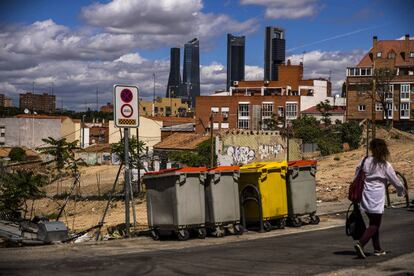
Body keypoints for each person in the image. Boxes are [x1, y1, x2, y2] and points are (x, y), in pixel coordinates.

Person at [353, 138, 406, 258]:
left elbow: (356, 175)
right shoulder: (385, 165)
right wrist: (401, 192)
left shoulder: (364, 160)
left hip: (365, 195)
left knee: (373, 222)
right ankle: (361, 243)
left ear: (371, 148)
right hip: (377, 197)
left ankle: (377, 248)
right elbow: (396, 181)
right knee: (375, 224)